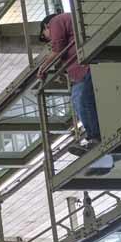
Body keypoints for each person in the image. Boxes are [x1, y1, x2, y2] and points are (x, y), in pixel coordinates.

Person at [39, 11, 100, 149]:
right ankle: (95, 136)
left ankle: (95, 137)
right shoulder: (68, 23)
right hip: (82, 70)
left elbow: (58, 48)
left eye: (45, 36)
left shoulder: (55, 21)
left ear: (45, 26)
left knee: (83, 99)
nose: (49, 41)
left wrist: (43, 68)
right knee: (79, 99)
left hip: (85, 66)